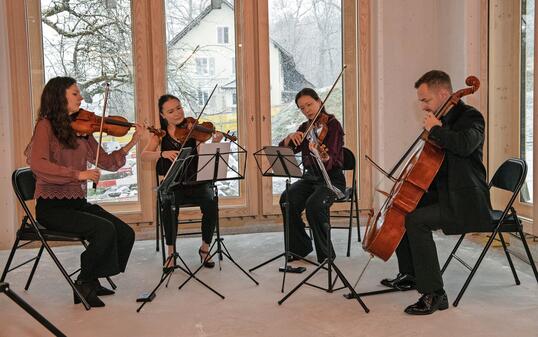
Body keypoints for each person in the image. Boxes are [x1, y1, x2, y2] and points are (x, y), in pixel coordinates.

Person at [380, 70, 492, 315]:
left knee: (416, 221)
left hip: (466, 199)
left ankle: (434, 294)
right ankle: (411, 274)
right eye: (421, 101)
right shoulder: (441, 117)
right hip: (445, 191)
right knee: (405, 207)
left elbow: (464, 145)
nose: (422, 106)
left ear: (444, 93)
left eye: (426, 100)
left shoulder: (471, 117)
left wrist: (436, 130)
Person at [26, 76, 142, 308]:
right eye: (75, 93)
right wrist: (77, 175)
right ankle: (83, 282)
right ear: (59, 97)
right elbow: (37, 163)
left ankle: (93, 276)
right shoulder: (45, 126)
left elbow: (107, 162)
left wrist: (133, 142)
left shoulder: (82, 130)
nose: (81, 98)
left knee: (124, 232)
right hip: (52, 207)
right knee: (103, 230)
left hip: (77, 202)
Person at [141, 94, 223, 269]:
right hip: (172, 184)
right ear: (163, 116)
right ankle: (171, 252)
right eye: (171, 111)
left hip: (195, 182)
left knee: (211, 203)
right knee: (168, 205)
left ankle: (204, 248)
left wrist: (214, 143)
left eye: (178, 108)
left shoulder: (193, 130)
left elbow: (203, 156)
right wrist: (162, 153)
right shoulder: (160, 135)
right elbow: (145, 155)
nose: (177, 113)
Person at [279, 87, 345, 264]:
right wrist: (289, 138)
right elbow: (285, 150)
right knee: (287, 199)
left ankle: (326, 255)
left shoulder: (333, 125)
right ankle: (299, 247)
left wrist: (321, 155)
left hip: (332, 178)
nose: (307, 110)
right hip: (310, 178)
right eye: (302, 108)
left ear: (319, 102)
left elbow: (332, 160)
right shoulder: (306, 127)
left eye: (309, 104)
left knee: (314, 205)